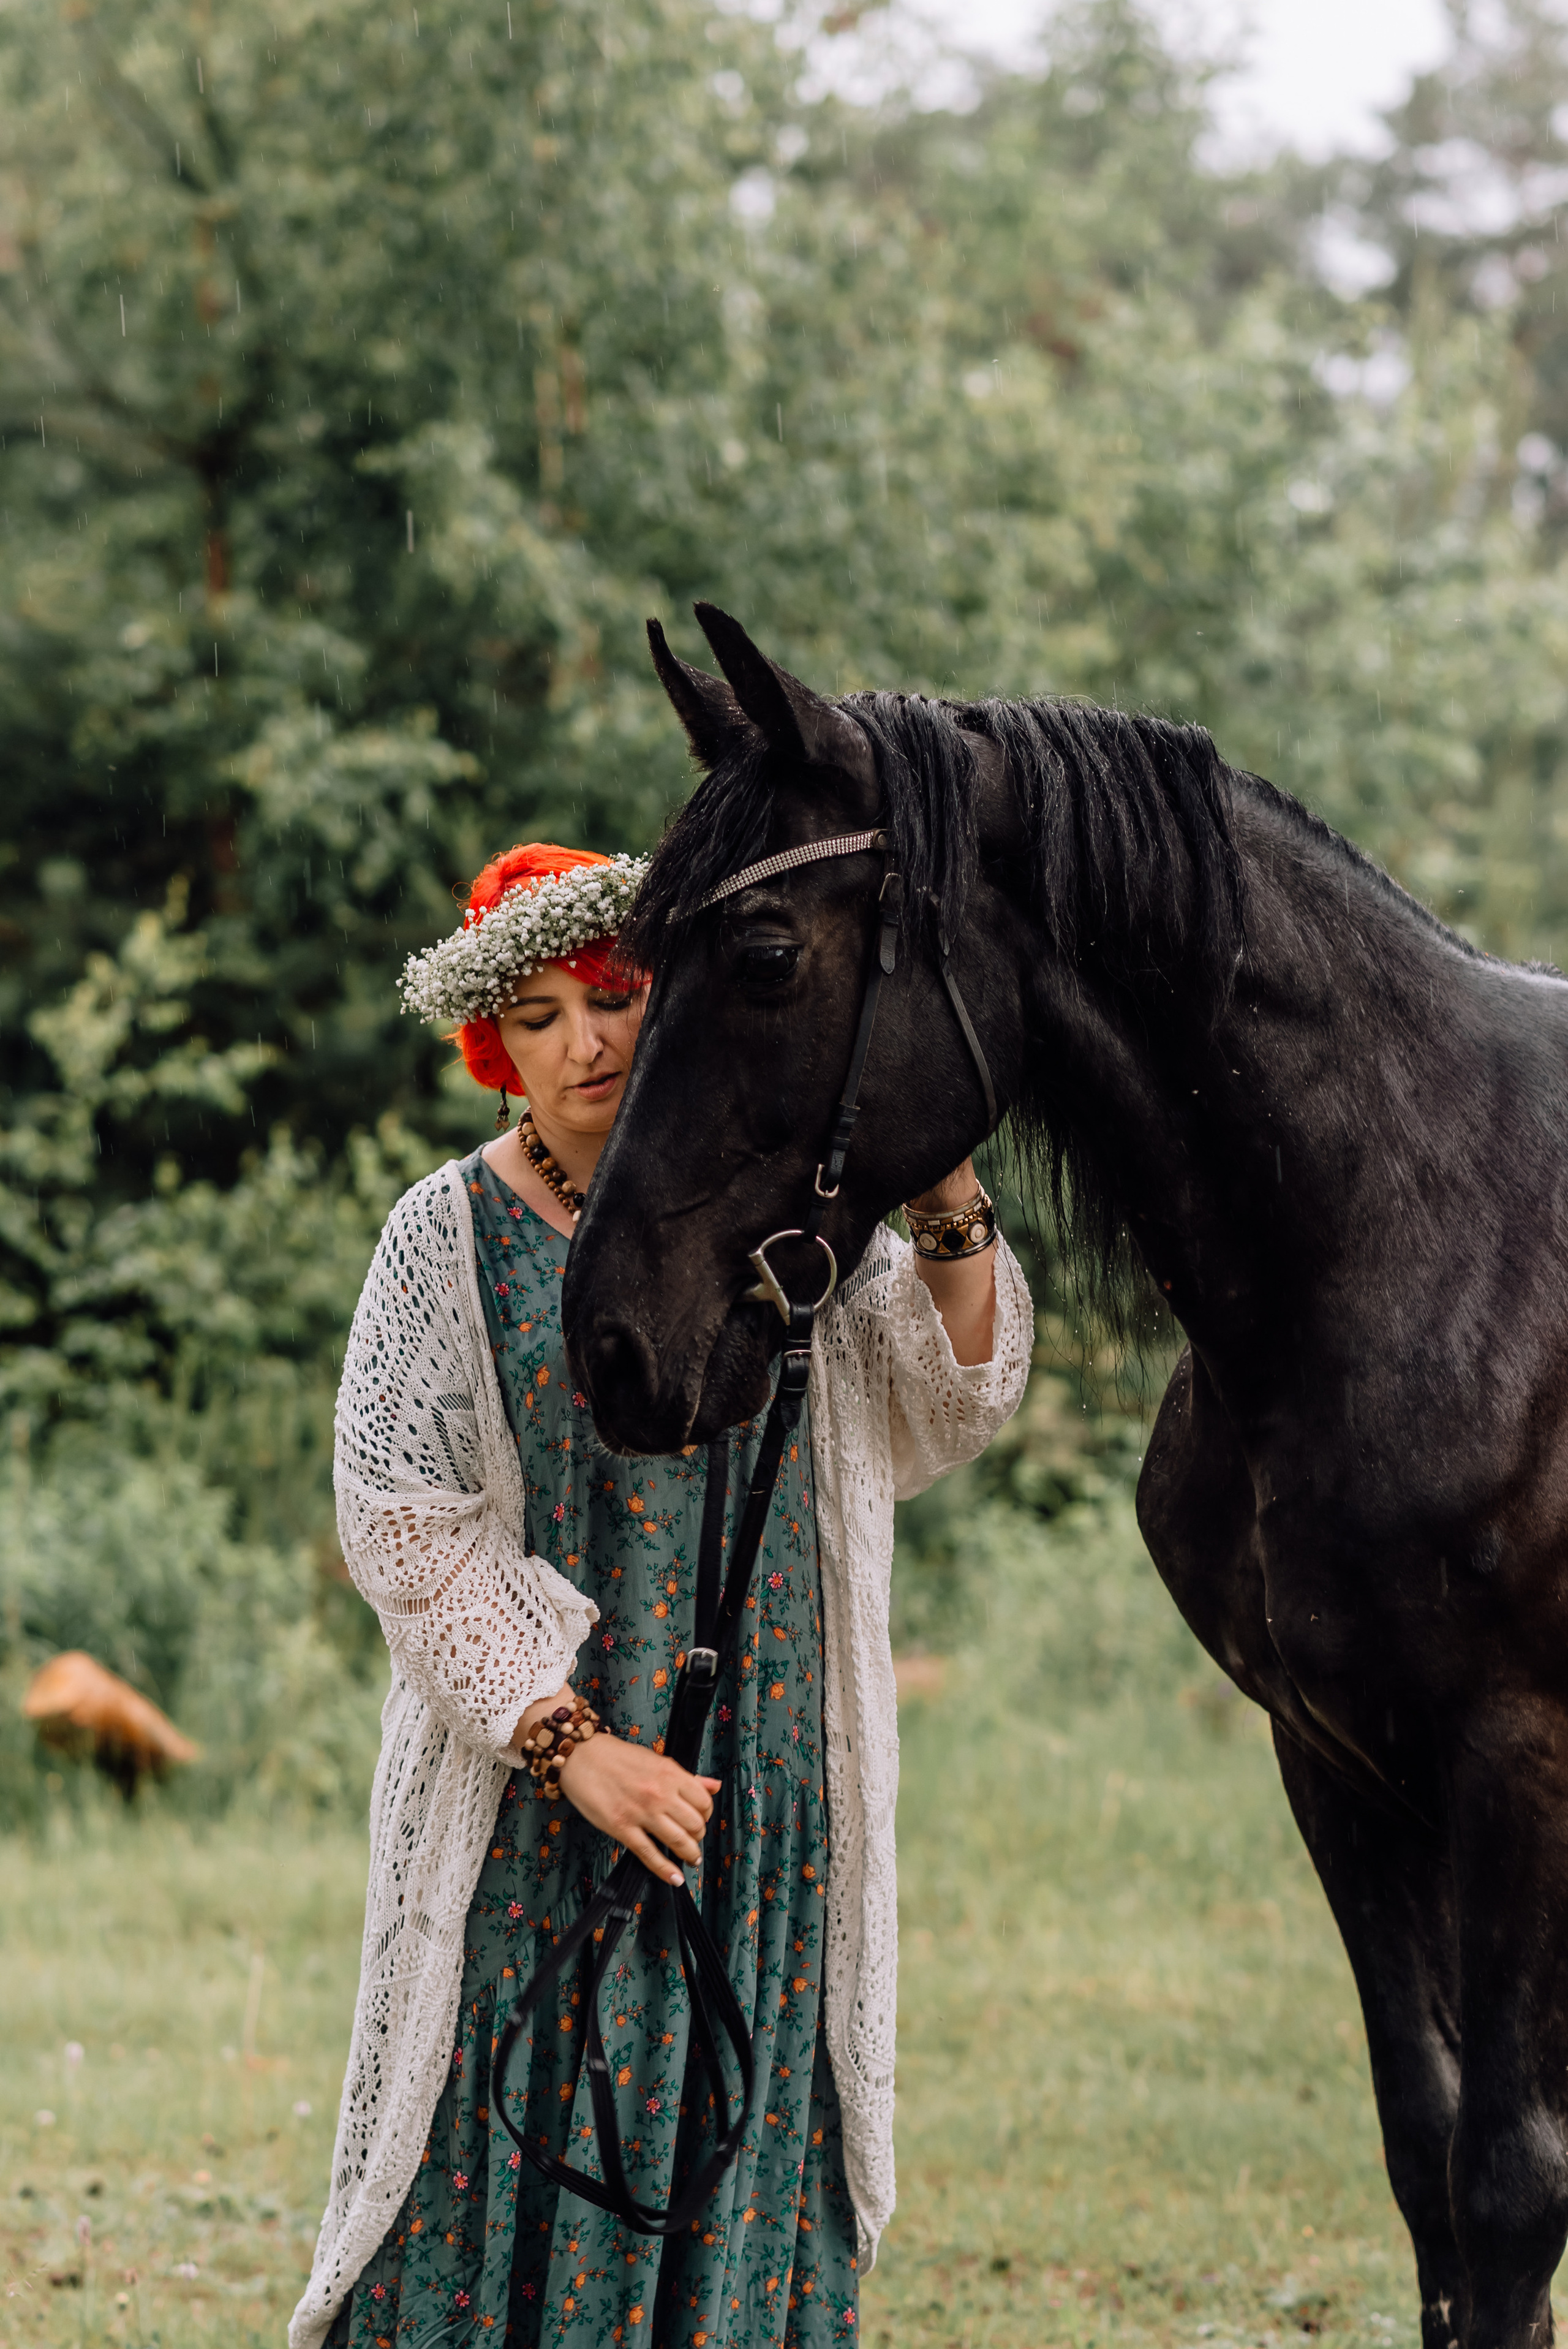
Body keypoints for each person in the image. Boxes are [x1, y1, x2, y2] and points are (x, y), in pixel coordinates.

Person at [291, 842, 1031, 2349]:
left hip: (757, 1800)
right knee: (494, 2163)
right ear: (492, 1042)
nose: (585, 1042)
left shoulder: (774, 1199)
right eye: (543, 1014)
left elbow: (940, 1406)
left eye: (615, 999)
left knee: (733, 2173)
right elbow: (401, 1519)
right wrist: (573, 1748)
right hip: (530, 1805)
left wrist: (939, 1169)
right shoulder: (447, 1235)